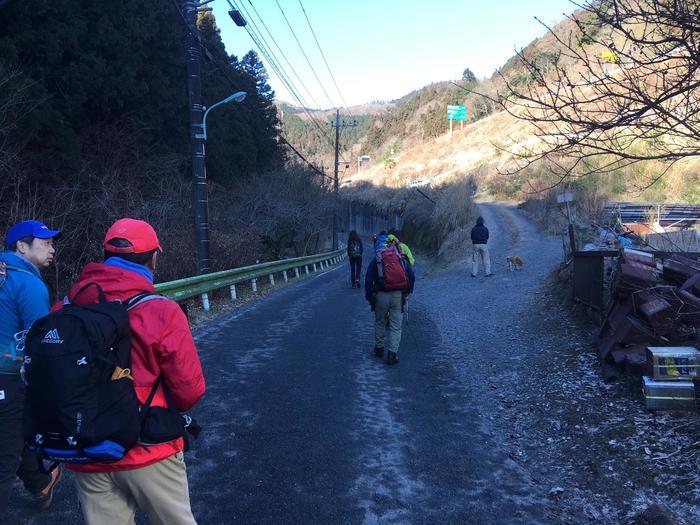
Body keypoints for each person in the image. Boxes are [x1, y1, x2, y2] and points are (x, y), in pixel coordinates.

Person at [61, 218, 205, 525]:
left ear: (104, 255)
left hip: (88, 451)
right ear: (153, 257)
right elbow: (189, 390)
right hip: (149, 449)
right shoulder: (161, 311)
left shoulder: (66, 308)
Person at [0, 220, 62, 515]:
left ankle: (40, 484)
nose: (52, 248)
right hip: (7, 378)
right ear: (21, 247)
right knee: (4, 459)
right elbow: (41, 344)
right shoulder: (29, 284)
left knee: (14, 432)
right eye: (45, 242)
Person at [365, 236, 415, 365]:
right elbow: (411, 276)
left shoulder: (376, 261)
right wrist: (408, 293)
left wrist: (370, 298)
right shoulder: (400, 258)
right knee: (396, 327)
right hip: (398, 296)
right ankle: (392, 354)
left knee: (380, 322)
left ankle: (379, 348)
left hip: (381, 295)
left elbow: (368, 281)